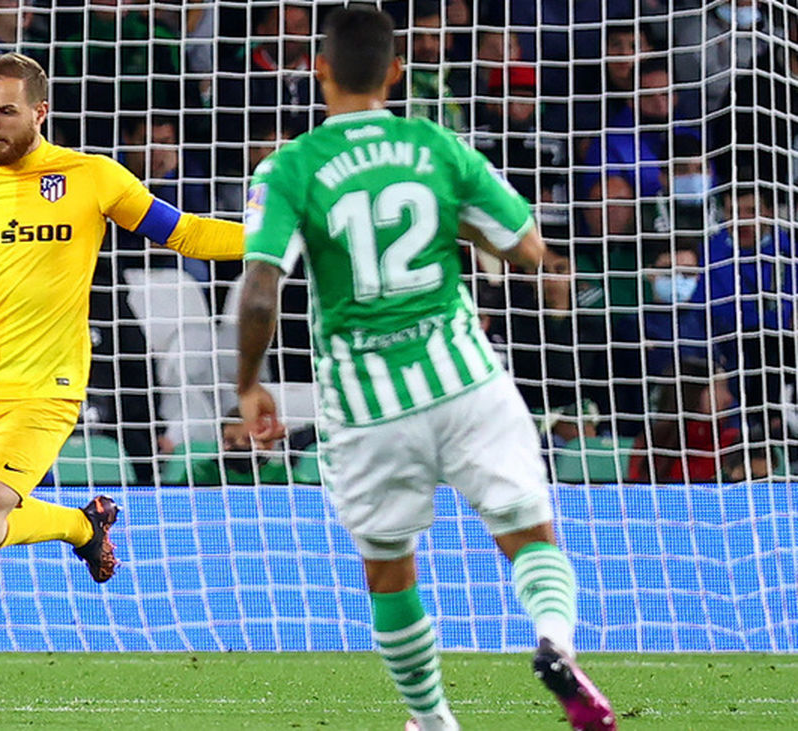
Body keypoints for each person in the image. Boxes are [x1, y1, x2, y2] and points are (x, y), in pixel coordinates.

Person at [233, 9, 614, 731]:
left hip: (367, 403)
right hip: (466, 380)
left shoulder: (287, 167)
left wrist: (249, 385)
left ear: (320, 70)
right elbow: (526, 249)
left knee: (389, 569)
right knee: (529, 536)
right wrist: (463, 226)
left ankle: (433, 720)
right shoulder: (436, 145)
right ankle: (555, 642)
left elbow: (259, 290)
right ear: (395, 73)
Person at [0, 52, 245, 714]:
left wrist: (270, 235)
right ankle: (81, 526)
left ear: (40, 111)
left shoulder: (92, 177)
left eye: (5, 111)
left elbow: (184, 233)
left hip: (48, 387)